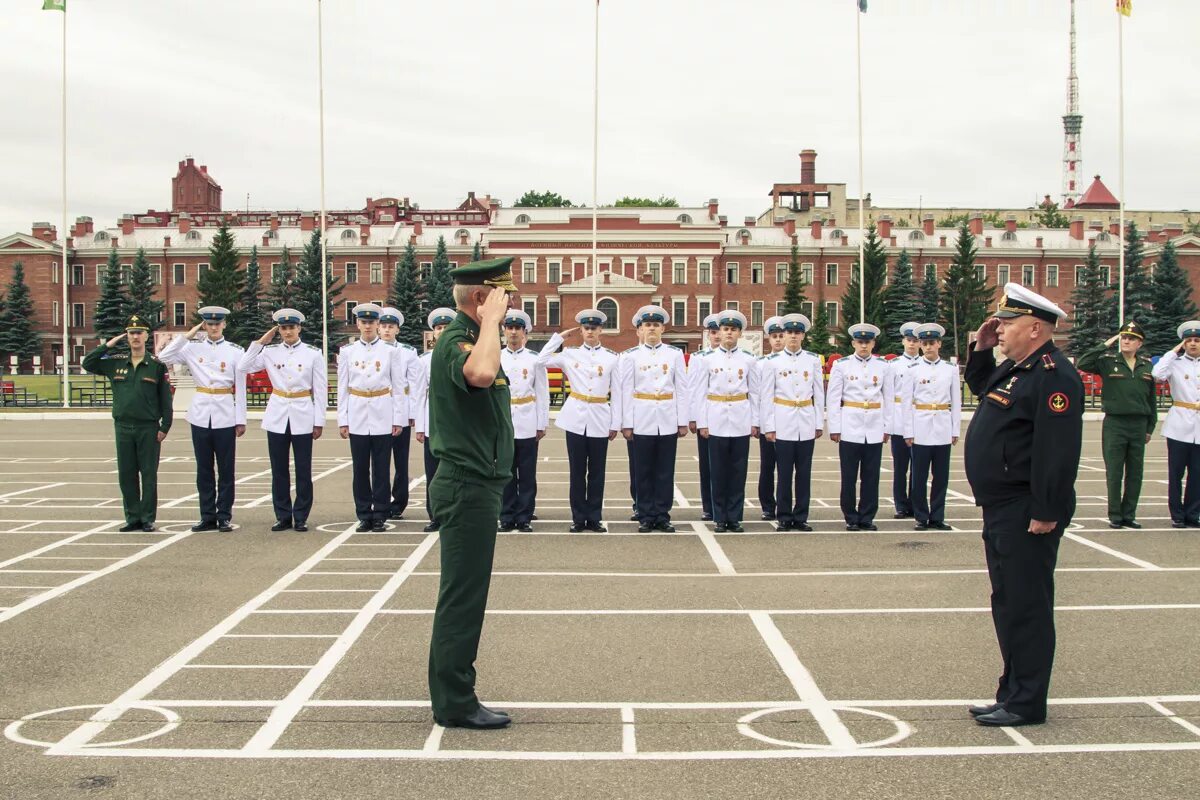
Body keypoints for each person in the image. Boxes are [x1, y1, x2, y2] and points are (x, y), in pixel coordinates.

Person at [963, 283, 1083, 728]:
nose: (1002, 329)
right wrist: (981, 347)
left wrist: (1046, 510)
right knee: (1008, 602)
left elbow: (1058, 451)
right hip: (1002, 507)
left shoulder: (1053, 376)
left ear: (1034, 328)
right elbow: (980, 387)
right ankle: (1012, 691)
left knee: (1027, 605)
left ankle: (1028, 701)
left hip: (1026, 510)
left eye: (1008, 323)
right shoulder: (1019, 369)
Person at [426, 256, 517, 730]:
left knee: (466, 595)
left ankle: (454, 693)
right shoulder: (458, 342)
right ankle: (455, 701)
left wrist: (492, 327)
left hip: (477, 484)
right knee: (462, 598)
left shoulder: (475, 337)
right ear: (481, 299)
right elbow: (480, 375)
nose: (509, 305)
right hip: (465, 485)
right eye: (502, 297)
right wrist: (492, 324)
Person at [237, 309, 326, 532]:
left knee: (303, 469)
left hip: (302, 412)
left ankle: (302, 515)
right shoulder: (270, 352)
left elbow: (321, 389)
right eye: (283, 328)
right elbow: (242, 366)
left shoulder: (313, 353)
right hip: (277, 414)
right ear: (279, 330)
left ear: (299, 328)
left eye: (291, 327)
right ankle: (283, 515)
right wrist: (259, 342)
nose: (288, 331)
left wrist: (319, 421)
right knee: (279, 469)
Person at [159, 306, 247, 532]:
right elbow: (163, 356)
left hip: (225, 413)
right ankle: (207, 515)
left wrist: (241, 418)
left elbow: (241, 388)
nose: (214, 327)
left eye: (218, 323)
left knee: (226, 469)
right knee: (204, 469)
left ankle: (224, 515)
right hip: (200, 414)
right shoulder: (191, 347)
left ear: (224, 324)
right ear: (204, 326)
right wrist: (187, 335)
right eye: (209, 324)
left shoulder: (235, 351)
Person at [82, 315, 172, 532]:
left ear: (146, 336)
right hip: (123, 427)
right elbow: (88, 363)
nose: (135, 337)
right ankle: (132, 517)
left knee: (148, 475)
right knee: (126, 474)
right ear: (127, 336)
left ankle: (147, 518)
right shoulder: (115, 363)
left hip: (148, 428)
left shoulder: (156, 366)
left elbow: (165, 399)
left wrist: (164, 426)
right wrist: (108, 344)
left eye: (139, 332)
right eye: (131, 333)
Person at [537, 309, 621, 532]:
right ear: (581, 331)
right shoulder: (569, 354)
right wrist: (559, 338)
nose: (590, 331)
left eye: (594, 328)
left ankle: (594, 518)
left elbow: (619, 393)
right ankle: (578, 518)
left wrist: (616, 423)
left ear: (601, 330)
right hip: (575, 418)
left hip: (600, 416)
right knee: (576, 472)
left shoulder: (612, 357)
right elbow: (540, 361)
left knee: (597, 472)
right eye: (586, 328)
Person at [1076, 321, 1157, 529]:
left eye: (1131, 338)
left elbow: (1151, 400)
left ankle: (1129, 513)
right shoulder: (1108, 361)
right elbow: (1084, 362)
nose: (1126, 341)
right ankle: (1115, 515)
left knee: (1135, 472)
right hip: (1115, 423)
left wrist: (1150, 427)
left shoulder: (1146, 365)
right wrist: (1106, 343)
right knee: (1114, 471)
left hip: (1139, 424)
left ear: (1140, 343)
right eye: (1123, 337)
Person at [336, 303, 409, 533]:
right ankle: (364, 513)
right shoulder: (348, 352)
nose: (368, 326)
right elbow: (342, 388)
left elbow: (398, 387)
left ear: (378, 324)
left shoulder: (391, 352)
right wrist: (342, 419)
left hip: (382, 412)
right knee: (359, 468)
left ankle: (380, 513)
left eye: (372, 322)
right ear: (357, 324)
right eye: (363, 322)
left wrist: (398, 419)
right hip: (357, 411)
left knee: (380, 467)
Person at [619, 305, 689, 533]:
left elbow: (682, 388)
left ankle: (662, 514)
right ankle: (646, 514)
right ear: (640, 329)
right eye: (647, 325)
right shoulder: (630, 356)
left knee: (665, 471)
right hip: (642, 418)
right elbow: (625, 390)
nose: (652, 329)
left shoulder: (674, 354)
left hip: (667, 418)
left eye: (656, 325)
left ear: (662, 329)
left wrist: (682, 420)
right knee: (643, 470)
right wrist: (626, 423)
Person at [758, 313, 823, 532]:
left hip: (805, 420)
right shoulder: (772, 362)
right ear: (783, 335)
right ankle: (784, 516)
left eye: (797, 333)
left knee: (804, 473)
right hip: (783, 420)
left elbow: (818, 393)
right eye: (789, 333)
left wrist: (818, 423)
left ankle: (801, 516)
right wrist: (769, 426)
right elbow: (766, 396)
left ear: (803, 335)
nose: (793, 336)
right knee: (784, 473)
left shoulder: (813, 360)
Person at [695, 310, 759, 533]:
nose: (729, 333)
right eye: (725, 329)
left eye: (733, 329)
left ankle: (735, 516)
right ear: (719, 333)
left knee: (738, 471)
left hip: (741, 418)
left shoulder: (749, 360)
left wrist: (755, 421)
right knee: (718, 470)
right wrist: (702, 422)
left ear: (740, 333)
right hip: (716, 418)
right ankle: (720, 516)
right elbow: (700, 393)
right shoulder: (707, 360)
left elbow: (756, 393)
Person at [827, 323, 892, 531]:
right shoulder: (842, 365)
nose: (863, 346)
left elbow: (888, 398)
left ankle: (867, 516)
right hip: (850, 426)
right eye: (860, 342)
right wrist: (835, 427)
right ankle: (850, 516)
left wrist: (887, 427)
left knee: (871, 476)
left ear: (873, 343)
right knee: (849, 476)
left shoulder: (883, 366)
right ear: (853, 343)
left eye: (868, 342)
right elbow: (834, 398)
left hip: (873, 426)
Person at [902, 323, 961, 531]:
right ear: (920, 345)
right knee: (919, 476)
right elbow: (906, 403)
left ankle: (937, 516)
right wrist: (908, 431)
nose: (928, 347)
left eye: (932, 343)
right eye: (924, 343)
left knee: (941, 476)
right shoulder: (912, 370)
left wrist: (955, 430)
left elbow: (956, 401)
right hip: (921, 427)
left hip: (943, 427)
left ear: (939, 344)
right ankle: (921, 516)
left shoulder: (950, 369)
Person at [497, 309, 549, 533]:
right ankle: (507, 515)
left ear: (525, 333)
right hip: (503, 422)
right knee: (505, 472)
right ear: (504, 331)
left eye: (518, 328)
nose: (514, 332)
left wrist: (541, 423)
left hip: (527, 420)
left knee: (527, 473)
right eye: (510, 328)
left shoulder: (535, 360)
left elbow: (542, 392)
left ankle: (525, 515)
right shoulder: (495, 357)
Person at [1151, 320, 1200, 528]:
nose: (1193, 344)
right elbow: (1157, 374)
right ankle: (1177, 514)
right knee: (1176, 472)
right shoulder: (1175, 364)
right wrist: (1173, 352)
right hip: (1179, 425)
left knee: (1197, 474)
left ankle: (1193, 513)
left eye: (1197, 340)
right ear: (1183, 344)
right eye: (1188, 341)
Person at [414, 307, 455, 533]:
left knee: (456, 472)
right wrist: (420, 426)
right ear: (434, 333)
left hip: (456, 425)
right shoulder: (424, 361)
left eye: (446, 327)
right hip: (433, 423)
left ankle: (454, 513)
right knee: (433, 473)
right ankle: (435, 515)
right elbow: (419, 395)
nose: (442, 330)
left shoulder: (463, 355)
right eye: (439, 328)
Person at [377, 307, 420, 520]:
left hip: (401, 409)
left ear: (397, 329)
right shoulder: (372, 351)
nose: (386, 330)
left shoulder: (408, 352)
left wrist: (412, 412)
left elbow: (414, 384)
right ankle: (381, 502)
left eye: (390, 326)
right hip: (379, 411)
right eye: (383, 326)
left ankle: (399, 502)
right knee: (380, 461)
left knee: (401, 462)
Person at [688, 314, 722, 521]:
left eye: (720, 331)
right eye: (714, 332)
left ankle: (726, 507)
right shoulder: (699, 358)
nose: (718, 335)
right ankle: (708, 506)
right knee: (707, 465)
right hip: (706, 417)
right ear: (708, 334)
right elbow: (692, 389)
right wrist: (694, 418)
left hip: (729, 417)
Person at [888, 321, 923, 519]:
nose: (911, 344)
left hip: (919, 419)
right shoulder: (893, 365)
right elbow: (889, 395)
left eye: (915, 340)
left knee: (918, 468)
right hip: (900, 421)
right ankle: (901, 505)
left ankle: (916, 504)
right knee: (900, 467)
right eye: (909, 340)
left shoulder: (923, 364)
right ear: (903, 341)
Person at [756, 316, 787, 521]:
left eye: (781, 336)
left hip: (787, 420)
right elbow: (758, 394)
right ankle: (767, 505)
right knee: (767, 465)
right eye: (774, 337)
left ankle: (785, 504)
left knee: (785, 466)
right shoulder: (760, 363)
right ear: (768, 339)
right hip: (768, 420)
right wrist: (760, 422)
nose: (778, 340)